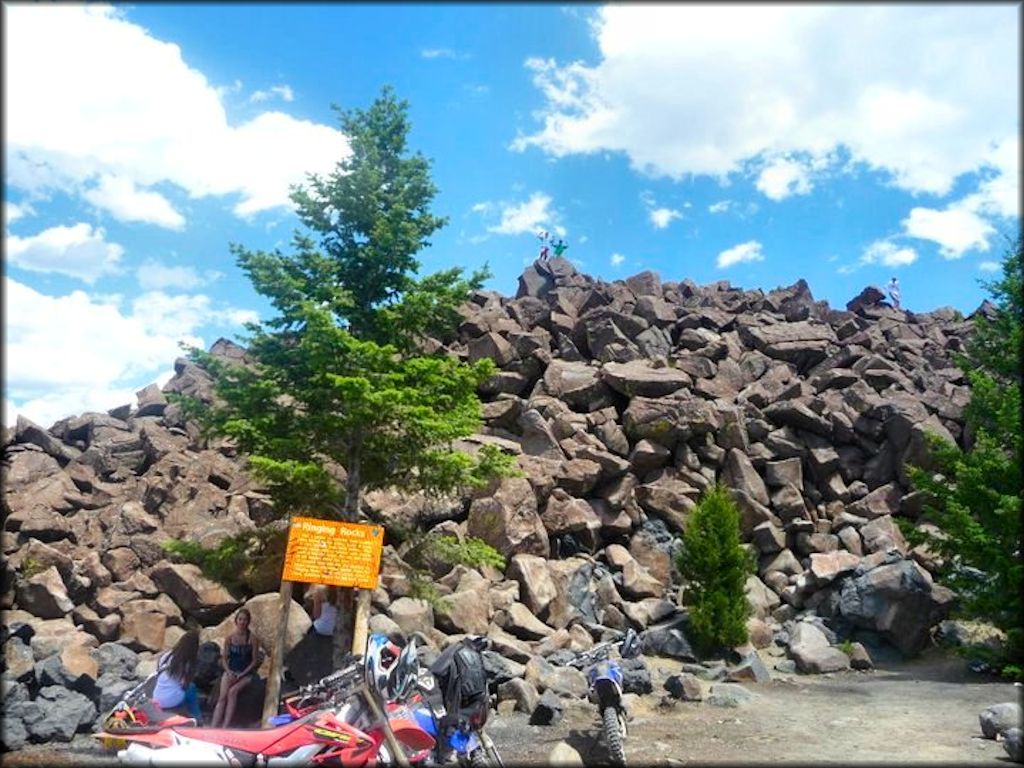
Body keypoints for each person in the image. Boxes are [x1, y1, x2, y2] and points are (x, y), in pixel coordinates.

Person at [210, 608, 261, 728]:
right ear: (236, 621)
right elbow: (224, 658)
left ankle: (225, 725)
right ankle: (213, 725)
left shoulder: (252, 639)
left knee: (232, 693)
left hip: (246, 673)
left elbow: (254, 661)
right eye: (240, 619)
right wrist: (228, 671)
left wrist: (242, 674)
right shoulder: (229, 638)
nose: (242, 622)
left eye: (245, 620)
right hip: (231, 670)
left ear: (248, 622)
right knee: (222, 697)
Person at [152, 629, 203, 722]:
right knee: (191, 688)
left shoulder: (166, 656)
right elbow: (184, 684)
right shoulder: (186, 662)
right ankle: (197, 718)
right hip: (171, 701)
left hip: (157, 698)